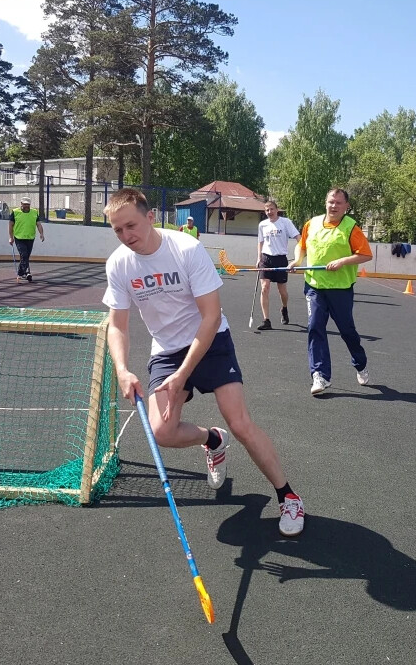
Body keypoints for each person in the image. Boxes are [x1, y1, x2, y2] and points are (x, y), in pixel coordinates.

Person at [101, 188, 304, 537]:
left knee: (239, 422)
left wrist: (183, 376)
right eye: (117, 230)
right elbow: (117, 325)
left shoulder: (185, 248)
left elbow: (210, 317)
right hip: (166, 349)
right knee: (162, 431)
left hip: (210, 340)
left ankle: (288, 496)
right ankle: (212, 440)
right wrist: (121, 369)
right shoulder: (119, 263)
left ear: (151, 218)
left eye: (130, 226)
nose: (125, 236)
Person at [288, 188, 373, 396]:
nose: (333, 206)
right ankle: (320, 375)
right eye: (330, 202)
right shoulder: (312, 223)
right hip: (314, 285)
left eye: (338, 203)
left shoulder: (351, 228)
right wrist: (298, 260)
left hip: (340, 289)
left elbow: (365, 254)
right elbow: (302, 245)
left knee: (347, 331)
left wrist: (343, 261)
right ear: (325, 203)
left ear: (346, 207)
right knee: (315, 327)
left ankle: (360, 363)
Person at [255, 200, 301, 330]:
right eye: (267, 210)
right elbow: (260, 242)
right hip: (266, 259)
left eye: (272, 209)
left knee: (283, 292)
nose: (269, 212)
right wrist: (258, 258)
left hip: (280, 259)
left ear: (276, 210)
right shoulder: (262, 225)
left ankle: (284, 308)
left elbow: (298, 237)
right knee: (265, 288)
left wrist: (301, 253)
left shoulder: (285, 222)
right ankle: (266, 320)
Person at [8, 196, 45, 280]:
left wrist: (41, 233)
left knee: (26, 257)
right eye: (24, 204)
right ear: (21, 204)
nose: (26, 206)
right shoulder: (15, 212)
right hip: (19, 238)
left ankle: (23, 272)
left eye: (28, 204)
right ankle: (24, 273)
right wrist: (10, 237)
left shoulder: (34, 212)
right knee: (24, 255)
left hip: (30, 237)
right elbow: (10, 225)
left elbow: (38, 224)